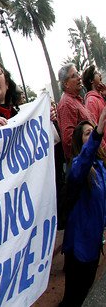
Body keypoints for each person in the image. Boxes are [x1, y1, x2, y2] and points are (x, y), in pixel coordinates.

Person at [59, 106, 106, 306]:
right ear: (81, 142)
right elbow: (84, 160)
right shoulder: (78, 167)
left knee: (85, 290)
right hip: (79, 246)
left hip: (94, 243)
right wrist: (98, 130)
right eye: (87, 133)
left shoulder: (100, 166)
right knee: (73, 297)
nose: (92, 134)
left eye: (92, 130)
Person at [57, 63, 94, 160]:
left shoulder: (76, 100)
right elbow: (69, 140)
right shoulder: (66, 104)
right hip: (86, 163)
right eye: (74, 76)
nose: (79, 77)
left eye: (78, 74)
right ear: (66, 84)